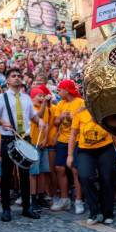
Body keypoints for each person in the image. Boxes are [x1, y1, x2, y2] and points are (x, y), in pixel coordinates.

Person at [0, 67, 42, 222]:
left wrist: (41, 121)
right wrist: (2, 122)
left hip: (25, 138)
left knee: (25, 175)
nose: (17, 78)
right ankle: (6, 209)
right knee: (6, 175)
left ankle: (26, 207)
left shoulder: (25, 98)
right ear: (7, 80)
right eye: (13, 76)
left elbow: (33, 116)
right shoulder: (1, 98)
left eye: (19, 75)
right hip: (8, 139)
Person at [67, 107, 116, 225]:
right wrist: (70, 155)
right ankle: (94, 211)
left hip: (105, 148)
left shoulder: (104, 109)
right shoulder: (79, 112)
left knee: (107, 178)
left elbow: (115, 135)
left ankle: (108, 212)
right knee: (84, 176)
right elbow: (72, 135)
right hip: (85, 150)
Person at [51, 79, 85, 213]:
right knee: (59, 168)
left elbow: (84, 120)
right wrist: (60, 118)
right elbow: (55, 122)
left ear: (67, 90)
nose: (58, 92)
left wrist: (73, 118)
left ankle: (78, 200)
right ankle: (64, 199)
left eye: (60, 90)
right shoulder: (60, 104)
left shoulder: (80, 102)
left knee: (75, 170)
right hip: (62, 140)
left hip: (77, 140)